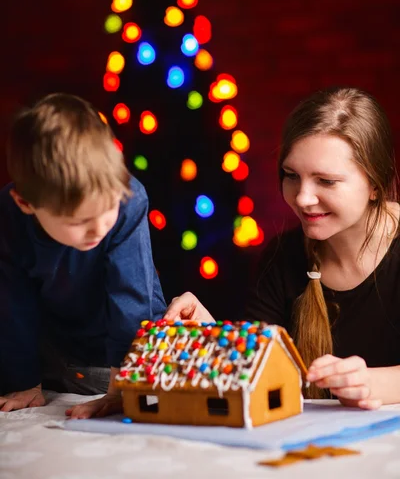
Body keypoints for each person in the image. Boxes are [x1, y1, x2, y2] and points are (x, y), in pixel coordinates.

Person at [165, 86, 400, 409]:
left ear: (375, 184)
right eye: (291, 175)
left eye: (326, 181)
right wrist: (211, 336)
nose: (302, 198)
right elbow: (257, 373)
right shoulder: (283, 256)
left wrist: (373, 383)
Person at [0, 93, 166, 419]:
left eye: (107, 210)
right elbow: (11, 301)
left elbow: (131, 296)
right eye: (78, 222)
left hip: (121, 354)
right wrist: (24, 381)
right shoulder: (8, 214)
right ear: (26, 204)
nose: (99, 228)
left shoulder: (129, 201)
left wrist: (122, 388)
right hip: (51, 352)